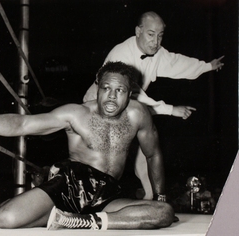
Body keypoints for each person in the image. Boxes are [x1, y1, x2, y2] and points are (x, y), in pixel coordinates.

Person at [0, 61, 174, 230]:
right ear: (97, 85)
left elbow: (153, 154)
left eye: (120, 91)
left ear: (130, 92)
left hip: (108, 194)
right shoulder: (76, 114)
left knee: (163, 212)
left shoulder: (139, 114)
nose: (111, 97)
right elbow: (24, 124)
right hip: (70, 186)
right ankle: (63, 213)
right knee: (6, 219)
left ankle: (79, 221)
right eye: (106, 89)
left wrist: (161, 196)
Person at [83, 11, 224, 199]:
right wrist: (171, 110)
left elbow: (177, 63)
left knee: (147, 146)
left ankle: (152, 199)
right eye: (151, 34)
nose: (156, 42)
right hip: (99, 107)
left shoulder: (157, 53)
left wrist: (207, 66)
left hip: (129, 106)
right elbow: (134, 95)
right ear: (138, 31)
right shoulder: (122, 55)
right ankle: (89, 201)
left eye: (160, 36)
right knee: (103, 159)